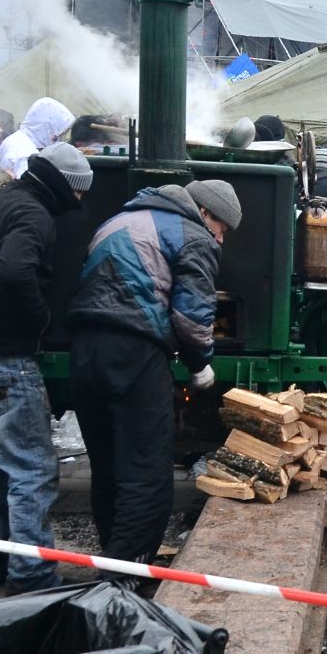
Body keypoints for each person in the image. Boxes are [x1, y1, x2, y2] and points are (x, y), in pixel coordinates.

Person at [70, 177, 239, 582]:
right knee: (147, 475)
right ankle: (121, 580)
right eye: (222, 230)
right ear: (205, 214)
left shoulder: (118, 220)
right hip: (134, 353)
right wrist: (200, 366)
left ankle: (112, 560)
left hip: (83, 351)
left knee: (107, 467)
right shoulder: (192, 235)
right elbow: (193, 317)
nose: (220, 241)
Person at [0, 143, 95, 593]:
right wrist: (38, 320)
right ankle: (31, 574)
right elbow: (16, 270)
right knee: (31, 470)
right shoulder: (33, 214)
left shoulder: (0, 200)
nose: (78, 206)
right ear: (68, 187)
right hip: (6, 359)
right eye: (79, 197)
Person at [0, 97, 74, 179]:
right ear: (46, 127)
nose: (57, 139)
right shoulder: (25, 155)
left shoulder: (19, 138)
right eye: (56, 135)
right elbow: (27, 188)